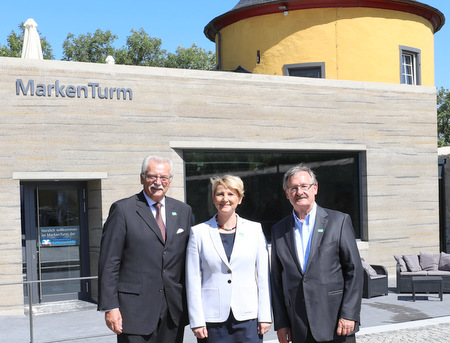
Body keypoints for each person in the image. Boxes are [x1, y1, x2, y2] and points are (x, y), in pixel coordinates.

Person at [98, 155, 192, 343]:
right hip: (134, 312)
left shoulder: (183, 211)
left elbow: (189, 260)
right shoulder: (123, 210)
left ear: (170, 182)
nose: (158, 182)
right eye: (152, 177)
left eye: (164, 177)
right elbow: (109, 262)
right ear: (142, 178)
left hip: (173, 311)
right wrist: (110, 307)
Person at [270, 164, 363, 343]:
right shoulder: (279, 230)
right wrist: (281, 323)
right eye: (293, 188)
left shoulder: (339, 221)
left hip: (336, 322)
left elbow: (354, 270)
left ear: (315, 188)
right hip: (298, 325)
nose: (299, 192)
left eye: (304, 186)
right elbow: (276, 281)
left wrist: (349, 314)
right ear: (286, 193)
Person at [186, 175, 272, 342]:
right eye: (220, 194)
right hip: (212, 320)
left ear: (239, 198)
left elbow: (263, 277)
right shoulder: (199, 233)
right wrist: (196, 320)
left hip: (248, 317)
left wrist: (265, 316)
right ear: (213, 198)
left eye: (231, 194)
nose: (225, 199)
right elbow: (193, 279)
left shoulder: (254, 230)